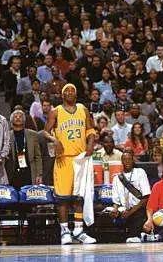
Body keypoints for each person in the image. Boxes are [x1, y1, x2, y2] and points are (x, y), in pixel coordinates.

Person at [44, 83, 97, 244]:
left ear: (76, 94)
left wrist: (90, 144)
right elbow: (45, 131)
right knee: (63, 198)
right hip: (64, 159)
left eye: (72, 90)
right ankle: (65, 231)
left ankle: (79, 231)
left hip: (81, 159)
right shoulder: (56, 111)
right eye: (66, 90)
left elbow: (90, 130)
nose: (69, 92)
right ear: (62, 95)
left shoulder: (83, 109)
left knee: (79, 197)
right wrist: (54, 140)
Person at [111, 150, 151, 242]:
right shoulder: (117, 178)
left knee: (132, 235)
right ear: (122, 161)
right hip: (124, 210)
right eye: (125, 159)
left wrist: (131, 212)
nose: (127, 161)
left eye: (129, 159)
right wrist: (115, 210)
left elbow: (146, 197)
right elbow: (116, 201)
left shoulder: (140, 172)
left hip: (138, 209)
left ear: (133, 160)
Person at [5, 109, 42, 188]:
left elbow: (37, 156)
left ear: (24, 120)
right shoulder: (7, 135)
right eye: (15, 116)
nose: (18, 118)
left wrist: (39, 174)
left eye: (20, 116)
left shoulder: (33, 134)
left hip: (29, 173)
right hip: (12, 174)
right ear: (11, 120)